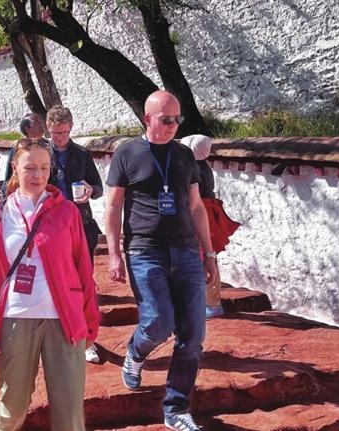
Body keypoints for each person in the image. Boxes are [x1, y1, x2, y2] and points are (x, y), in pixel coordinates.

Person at [0, 138, 100, 431]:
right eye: (30, 167)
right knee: (12, 407)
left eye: (44, 167)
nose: (38, 175)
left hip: (63, 321)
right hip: (14, 319)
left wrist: (90, 321)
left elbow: (83, 269)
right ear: (15, 167)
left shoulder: (67, 212)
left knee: (70, 414)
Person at [105, 90, 217, 431]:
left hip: (186, 251)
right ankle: (136, 352)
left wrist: (209, 253)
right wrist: (114, 254)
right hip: (144, 251)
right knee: (158, 322)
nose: (173, 125)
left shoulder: (184, 155)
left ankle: (176, 407)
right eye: (166, 119)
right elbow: (113, 206)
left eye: (177, 119)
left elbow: (196, 206)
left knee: (193, 336)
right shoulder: (127, 152)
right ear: (147, 119)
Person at [43, 105, 105, 363]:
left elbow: (99, 188)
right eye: (55, 133)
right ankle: (53, 337)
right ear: (48, 129)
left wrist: (91, 190)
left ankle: (86, 338)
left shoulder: (81, 154)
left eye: (64, 132)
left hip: (80, 224)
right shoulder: (40, 153)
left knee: (83, 282)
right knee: (51, 282)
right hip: (48, 229)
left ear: (71, 129)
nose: (59, 138)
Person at [182, 134, 241, 320]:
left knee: (205, 256)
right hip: (206, 211)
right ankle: (207, 301)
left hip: (200, 213)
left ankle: (211, 303)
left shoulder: (193, 169)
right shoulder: (202, 166)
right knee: (205, 256)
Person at [1, 113, 45, 196]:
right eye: (36, 121)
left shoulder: (48, 147)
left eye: (40, 120)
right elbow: (9, 177)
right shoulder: (18, 149)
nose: (41, 123)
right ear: (27, 128)